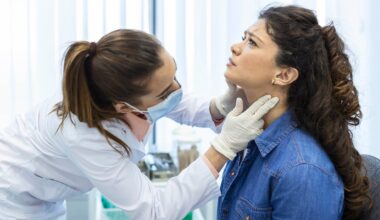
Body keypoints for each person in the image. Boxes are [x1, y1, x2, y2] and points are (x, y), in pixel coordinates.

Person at [0, 29, 279, 219]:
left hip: (46, 195)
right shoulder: (83, 135)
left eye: (174, 73)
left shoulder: (125, 87)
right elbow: (153, 212)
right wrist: (223, 148)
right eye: (166, 89)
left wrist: (221, 105)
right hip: (15, 201)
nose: (177, 88)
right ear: (123, 106)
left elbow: (175, 103)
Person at [217, 5, 371, 220]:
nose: (235, 47)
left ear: (284, 75)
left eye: (252, 42)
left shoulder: (302, 171)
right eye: (244, 38)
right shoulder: (249, 138)